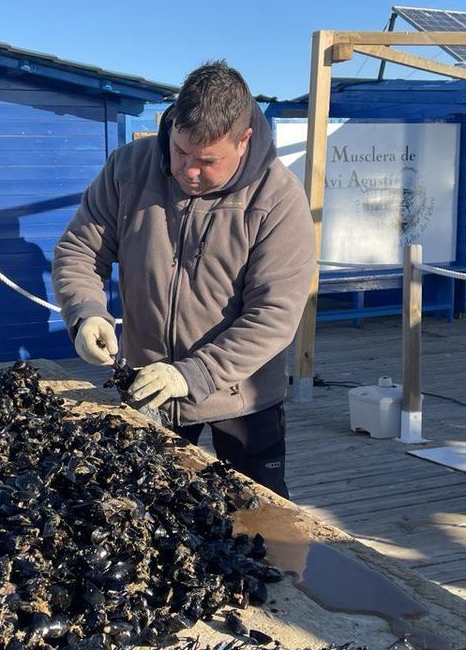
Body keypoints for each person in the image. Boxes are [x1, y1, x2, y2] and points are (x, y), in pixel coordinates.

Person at [52, 61, 315, 498]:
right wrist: (85, 313)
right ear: (170, 125)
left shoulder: (279, 199)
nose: (189, 170)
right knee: (142, 516)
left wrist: (193, 373)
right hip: (147, 385)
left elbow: (274, 316)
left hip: (241, 395)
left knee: (262, 525)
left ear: (244, 139)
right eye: (180, 151)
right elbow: (80, 249)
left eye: (208, 161)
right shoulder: (128, 168)